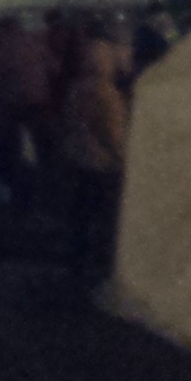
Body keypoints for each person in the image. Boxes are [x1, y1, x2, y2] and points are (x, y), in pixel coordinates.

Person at [59, 22, 131, 293]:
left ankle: (77, 265)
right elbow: (112, 134)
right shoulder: (107, 94)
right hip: (102, 166)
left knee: (80, 217)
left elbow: (67, 122)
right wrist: (123, 159)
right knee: (106, 220)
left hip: (78, 161)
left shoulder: (77, 89)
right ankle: (103, 269)